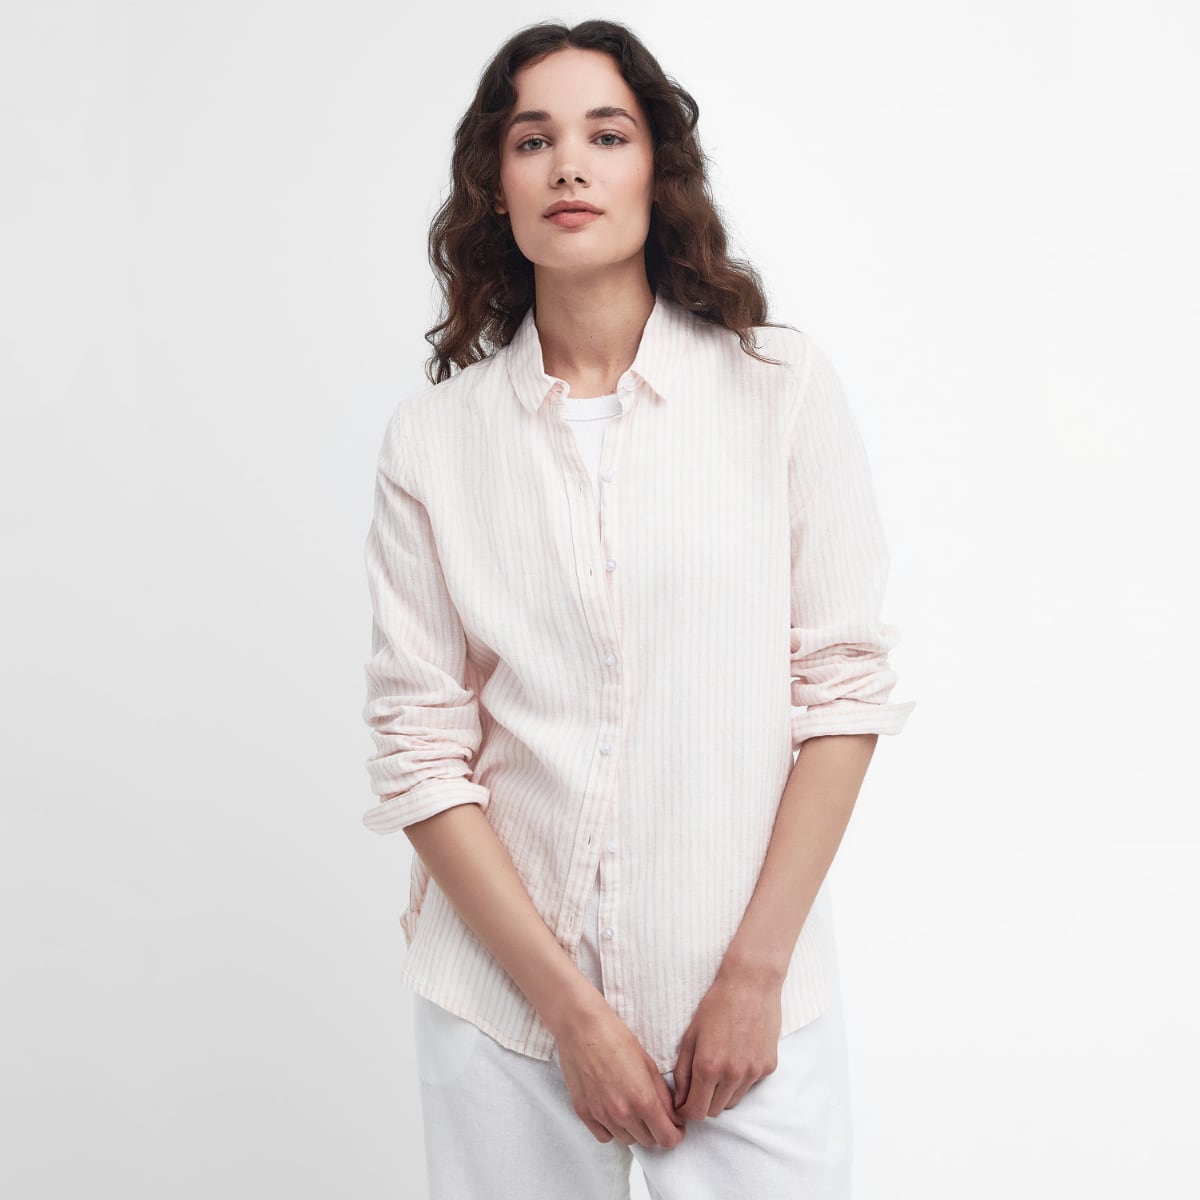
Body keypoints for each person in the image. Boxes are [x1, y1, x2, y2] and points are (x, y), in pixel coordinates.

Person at [360, 18, 915, 1199]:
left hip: (746, 1010)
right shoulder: (434, 441)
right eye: (533, 140)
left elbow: (841, 692)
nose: (569, 165)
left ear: (658, 170)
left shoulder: (778, 390)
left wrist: (754, 977)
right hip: (504, 1013)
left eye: (606, 135)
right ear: (495, 185)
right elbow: (420, 749)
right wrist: (571, 1016)